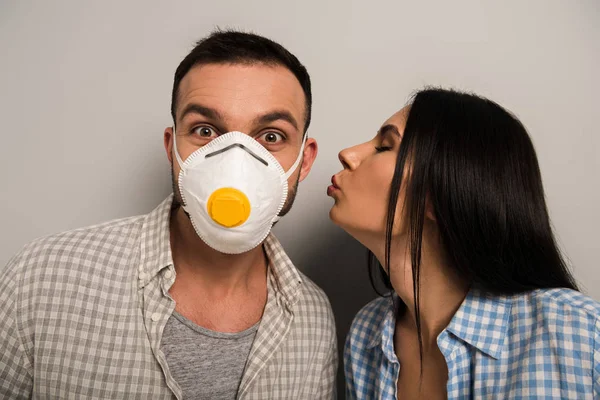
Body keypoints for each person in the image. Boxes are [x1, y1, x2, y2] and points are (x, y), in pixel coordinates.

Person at [0, 30, 337, 399]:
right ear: (172, 147)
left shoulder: (313, 318)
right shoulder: (41, 279)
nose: (235, 161)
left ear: (304, 161)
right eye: (205, 130)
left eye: (271, 136)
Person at [328, 88, 600, 399]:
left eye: (385, 147)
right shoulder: (367, 335)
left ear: (438, 193)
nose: (347, 153)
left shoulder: (580, 334)